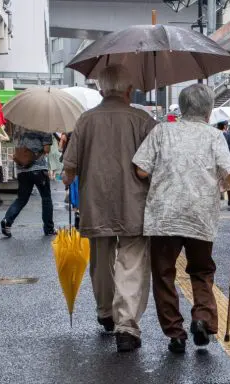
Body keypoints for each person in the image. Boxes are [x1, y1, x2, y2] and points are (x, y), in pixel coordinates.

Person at [133, 84, 230, 354]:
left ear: (182, 109)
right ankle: (203, 320)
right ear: (208, 112)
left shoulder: (162, 131)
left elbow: (140, 170)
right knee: (201, 270)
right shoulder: (214, 136)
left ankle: (175, 333)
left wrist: (162, 177)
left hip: (164, 215)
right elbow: (229, 169)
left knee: (163, 274)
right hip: (200, 214)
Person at [63, 64, 157, 352]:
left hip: (96, 203)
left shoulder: (85, 120)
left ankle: (105, 312)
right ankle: (126, 325)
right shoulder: (143, 120)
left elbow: (69, 168)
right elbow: (156, 163)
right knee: (132, 262)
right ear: (129, 90)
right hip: (135, 204)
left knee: (101, 260)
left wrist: (69, 180)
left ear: (101, 89)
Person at [0, 125, 55, 237]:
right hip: (38, 169)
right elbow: (46, 149)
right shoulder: (44, 126)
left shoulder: (19, 127)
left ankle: (7, 220)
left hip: (22, 168)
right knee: (46, 198)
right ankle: (49, 229)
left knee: (21, 199)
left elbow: (16, 144)